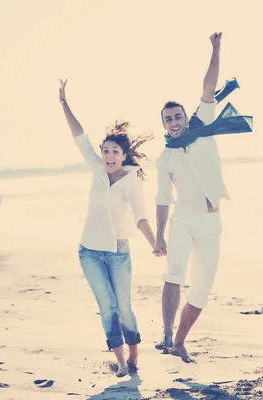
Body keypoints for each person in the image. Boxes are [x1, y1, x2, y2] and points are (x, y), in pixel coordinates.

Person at [153, 32, 253, 363]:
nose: (174, 122)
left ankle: (180, 341)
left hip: (212, 224)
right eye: (168, 119)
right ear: (165, 126)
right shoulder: (165, 159)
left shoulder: (203, 123)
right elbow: (163, 198)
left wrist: (216, 48)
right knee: (175, 271)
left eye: (177, 116)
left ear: (185, 117)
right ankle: (166, 335)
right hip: (183, 221)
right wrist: (159, 235)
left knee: (201, 290)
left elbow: (209, 86)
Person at [59, 79, 157, 377]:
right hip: (89, 251)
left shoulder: (131, 180)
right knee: (107, 306)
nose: (109, 156)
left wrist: (155, 243)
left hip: (118, 252)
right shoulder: (96, 169)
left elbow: (141, 217)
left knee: (124, 308)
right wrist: (64, 103)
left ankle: (135, 352)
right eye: (105, 152)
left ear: (123, 155)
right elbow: (79, 137)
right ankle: (121, 362)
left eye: (114, 152)